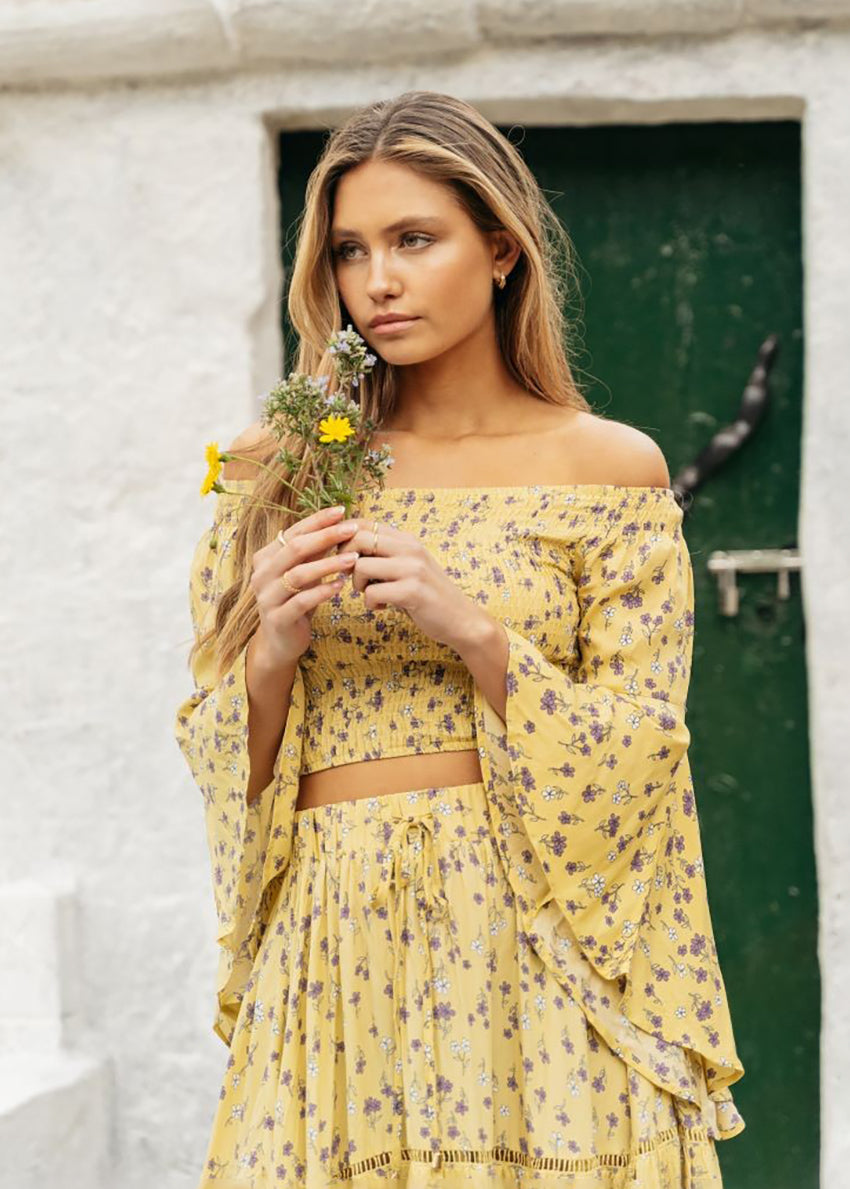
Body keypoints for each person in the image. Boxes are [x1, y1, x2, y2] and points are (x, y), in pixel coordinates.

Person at [174, 89, 746, 1188]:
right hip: (336, 940)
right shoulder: (280, 470)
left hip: (539, 941)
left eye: (413, 239)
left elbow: (639, 757)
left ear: (498, 251)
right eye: (349, 249)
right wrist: (272, 649)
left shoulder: (606, 469)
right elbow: (215, 761)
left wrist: (473, 630)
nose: (376, 280)